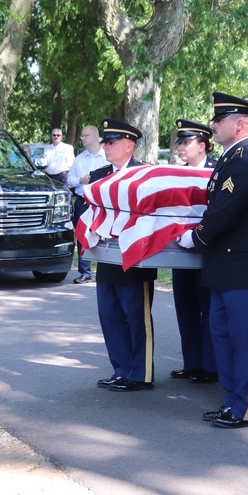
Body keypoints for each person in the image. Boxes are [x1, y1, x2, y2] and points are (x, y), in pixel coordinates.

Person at [177, 93, 248, 428]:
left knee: (244, 342)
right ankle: (232, 401)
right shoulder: (231, 158)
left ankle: (247, 409)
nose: (213, 125)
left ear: (239, 124)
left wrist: (196, 237)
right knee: (222, 335)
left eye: (219, 120)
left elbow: (223, 212)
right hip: (227, 267)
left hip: (245, 268)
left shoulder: (245, 160)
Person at [92, 119, 157, 392]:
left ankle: (140, 374)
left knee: (135, 316)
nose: (105, 146)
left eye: (112, 142)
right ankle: (121, 370)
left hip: (135, 258)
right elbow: (82, 212)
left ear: (129, 145)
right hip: (107, 256)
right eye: (104, 142)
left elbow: (153, 216)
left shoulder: (146, 176)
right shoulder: (98, 176)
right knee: (110, 314)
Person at [169, 119, 218, 384]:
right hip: (180, 252)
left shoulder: (218, 171)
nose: (181, 148)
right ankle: (192, 362)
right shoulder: (177, 173)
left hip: (208, 251)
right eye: (180, 143)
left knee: (208, 309)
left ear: (203, 145)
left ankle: (210, 366)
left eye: (186, 143)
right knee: (185, 309)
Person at [66, 125, 108, 284]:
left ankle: (106, 269)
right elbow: (69, 179)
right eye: (82, 136)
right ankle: (85, 272)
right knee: (83, 234)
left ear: (95, 137)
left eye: (85, 135)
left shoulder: (107, 157)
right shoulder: (79, 159)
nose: (82, 138)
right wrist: (80, 180)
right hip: (83, 200)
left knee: (104, 233)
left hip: (103, 202)